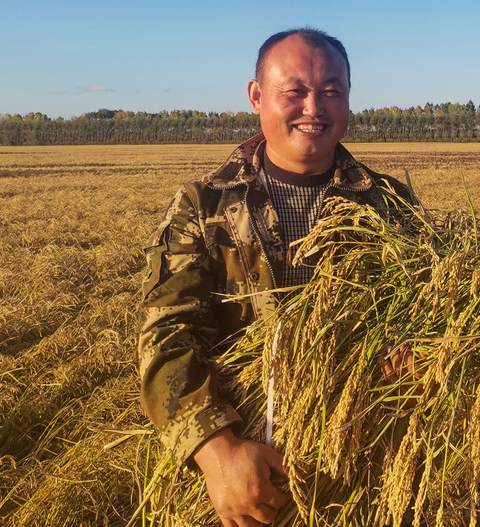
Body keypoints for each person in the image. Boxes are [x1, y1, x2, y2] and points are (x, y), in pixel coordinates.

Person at [138, 28, 415, 527]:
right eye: (295, 91)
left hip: (366, 471)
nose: (314, 107)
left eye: (331, 91)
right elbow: (166, 332)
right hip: (241, 478)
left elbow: (429, 318)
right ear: (257, 95)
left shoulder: (390, 206)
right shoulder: (203, 206)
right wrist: (215, 449)